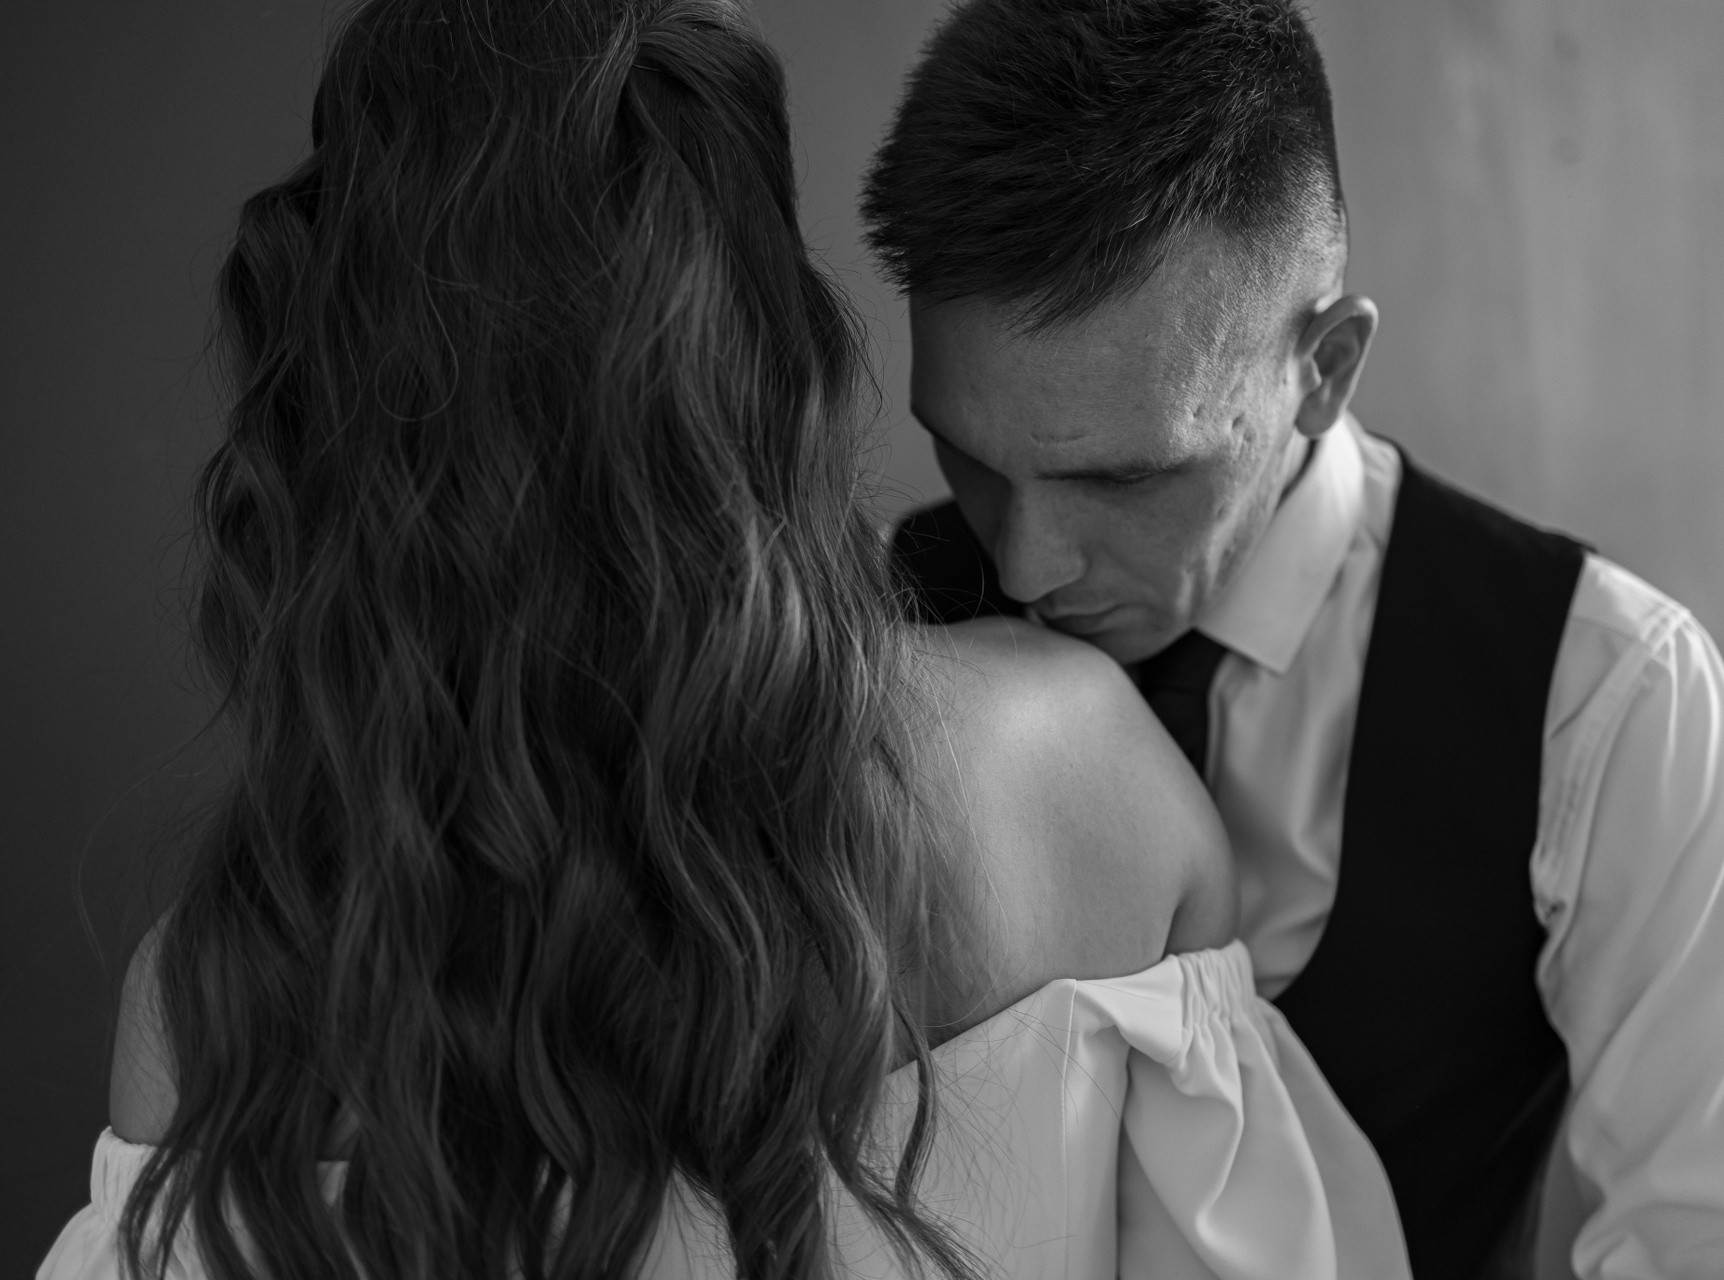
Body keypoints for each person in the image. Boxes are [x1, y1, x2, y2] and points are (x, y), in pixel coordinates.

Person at [38, 1, 1411, 1278]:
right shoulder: (1078, 768)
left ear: (320, 412)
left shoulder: (222, 998)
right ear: (777, 357)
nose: (1031, 560)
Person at [865, 1, 1724, 1278]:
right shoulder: (851, 626)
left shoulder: (1606, 696)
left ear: (1327, 368)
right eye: (967, 454)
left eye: (1122, 478)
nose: (1022, 564)